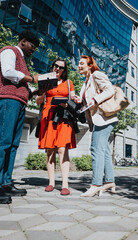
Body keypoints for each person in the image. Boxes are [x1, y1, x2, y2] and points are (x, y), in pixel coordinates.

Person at [0, 30, 44, 204]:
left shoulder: (23, 61)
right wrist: (32, 79)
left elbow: (21, 86)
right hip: (7, 101)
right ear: (23, 41)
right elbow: (8, 72)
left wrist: (36, 90)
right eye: (32, 46)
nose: (33, 50)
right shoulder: (9, 51)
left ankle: (5, 183)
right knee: (2, 142)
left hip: (18, 102)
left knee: (12, 145)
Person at [73, 55, 118, 197]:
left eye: (81, 63)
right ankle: (109, 181)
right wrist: (80, 100)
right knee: (103, 151)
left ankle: (96, 184)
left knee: (95, 149)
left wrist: (94, 99)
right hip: (99, 120)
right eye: (78, 63)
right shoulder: (86, 82)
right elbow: (87, 100)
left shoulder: (96, 75)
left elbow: (110, 90)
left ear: (90, 65)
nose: (79, 66)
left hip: (105, 118)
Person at [36, 58, 76, 196]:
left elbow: (72, 98)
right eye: (55, 66)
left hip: (64, 117)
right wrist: (41, 91)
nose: (57, 69)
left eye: (61, 67)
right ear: (52, 67)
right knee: (50, 151)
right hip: (49, 117)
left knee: (62, 149)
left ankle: (65, 184)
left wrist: (71, 101)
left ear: (64, 70)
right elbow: (38, 101)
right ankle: (51, 182)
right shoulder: (46, 80)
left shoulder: (68, 83)